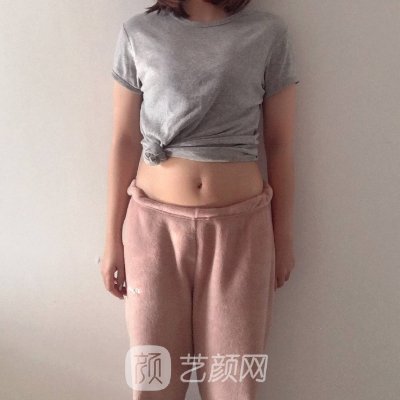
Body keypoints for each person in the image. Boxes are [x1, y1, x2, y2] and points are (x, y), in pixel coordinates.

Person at [101, 0, 299, 398]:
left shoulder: (267, 33)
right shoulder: (139, 33)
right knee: (154, 380)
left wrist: (282, 237)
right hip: (153, 232)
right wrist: (111, 241)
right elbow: (123, 140)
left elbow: (279, 143)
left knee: (234, 384)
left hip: (241, 234)